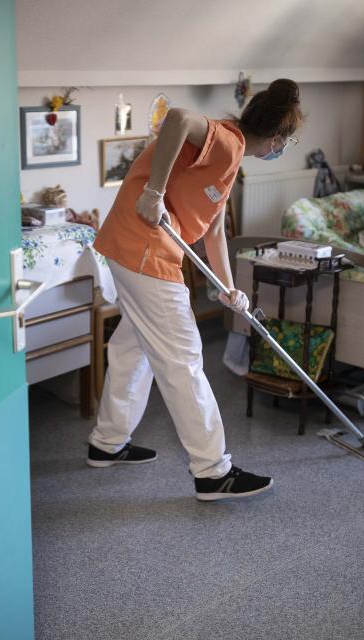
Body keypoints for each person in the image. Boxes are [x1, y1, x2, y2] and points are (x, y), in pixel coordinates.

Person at [89, 79, 304, 501]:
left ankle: (107, 442)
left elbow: (215, 231)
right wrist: (154, 191)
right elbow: (178, 118)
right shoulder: (226, 142)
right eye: (286, 143)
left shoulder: (230, 152)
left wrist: (228, 287)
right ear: (276, 138)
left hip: (128, 247)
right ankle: (213, 471)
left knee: (134, 348)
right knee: (183, 360)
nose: (282, 149)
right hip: (145, 251)